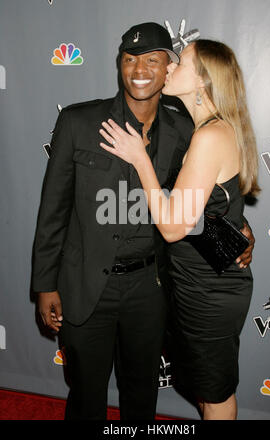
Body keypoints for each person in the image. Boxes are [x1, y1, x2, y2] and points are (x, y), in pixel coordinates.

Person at [32, 22, 254, 421]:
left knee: (141, 397)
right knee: (85, 393)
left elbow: (197, 209)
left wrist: (236, 238)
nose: (139, 69)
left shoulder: (188, 129)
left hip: (152, 289)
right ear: (119, 65)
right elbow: (53, 211)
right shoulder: (79, 122)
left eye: (153, 60)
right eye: (130, 59)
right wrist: (45, 284)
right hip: (85, 286)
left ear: (169, 67)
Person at [99, 38, 260, 420]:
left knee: (215, 395)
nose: (170, 68)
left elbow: (172, 228)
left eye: (181, 63)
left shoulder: (209, 136)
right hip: (200, 280)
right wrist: (241, 231)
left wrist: (140, 158)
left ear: (203, 81)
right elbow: (216, 207)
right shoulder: (212, 128)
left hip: (208, 290)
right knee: (206, 391)